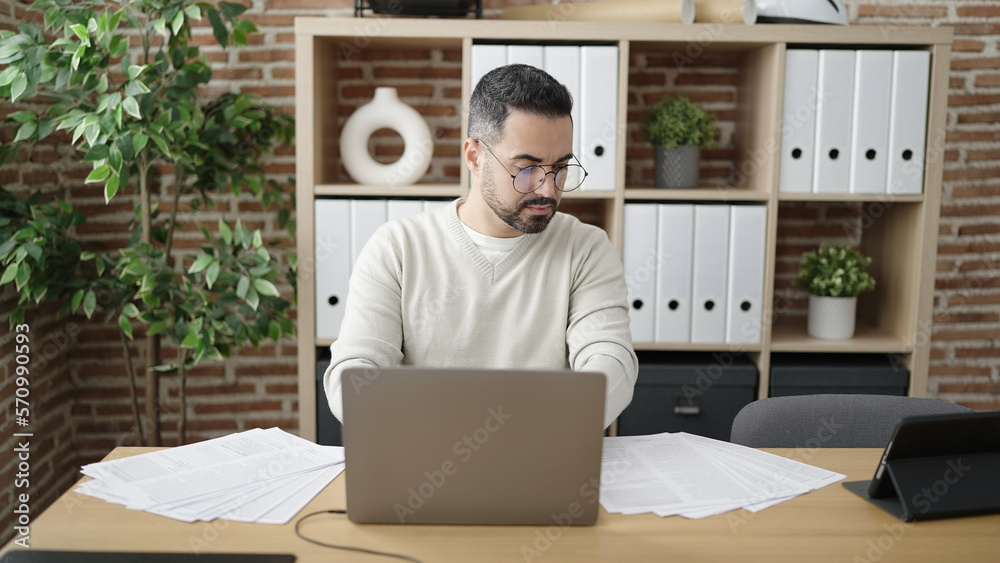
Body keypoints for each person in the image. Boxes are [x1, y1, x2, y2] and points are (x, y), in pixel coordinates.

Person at [323, 64, 637, 429]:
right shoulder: (397, 248)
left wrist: (543, 424)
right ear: (474, 156)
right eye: (527, 168)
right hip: (422, 466)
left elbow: (611, 361)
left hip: (542, 460)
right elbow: (354, 374)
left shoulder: (586, 249)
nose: (548, 190)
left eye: (560, 167)